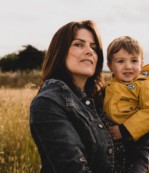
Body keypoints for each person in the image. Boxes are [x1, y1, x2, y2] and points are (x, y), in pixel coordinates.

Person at [29, 20, 116, 173]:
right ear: (60, 51)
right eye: (79, 44)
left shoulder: (98, 99)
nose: (89, 51)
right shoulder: (49, 101)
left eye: (94, 47)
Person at [103, 36, 149, 172]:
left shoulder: (146, 85)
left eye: (134, 61)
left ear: (141, 64)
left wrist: (124, 130)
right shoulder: (108, 87)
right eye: (120, 61)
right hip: (114, 144)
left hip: (139, 145)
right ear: (110, 65)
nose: (128, 67)